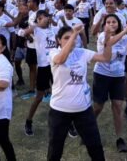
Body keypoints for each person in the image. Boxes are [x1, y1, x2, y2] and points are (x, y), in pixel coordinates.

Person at [48, 24, 113, 161]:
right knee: (55, 149)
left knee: (95, 146)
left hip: (83, 108)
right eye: (66, 38)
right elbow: (60, 60)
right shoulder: (54, 53)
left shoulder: (81, 52)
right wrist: (74, 33)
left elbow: (106, 58)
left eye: (73, 37)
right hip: (60, 108)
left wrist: (108, 38)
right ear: (58, 40)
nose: (71, 40)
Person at [93, 14, 127, 153]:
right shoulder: (103, 36)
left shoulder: (124, 37)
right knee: (98, 106)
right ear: (104, 25)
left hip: (118, 76)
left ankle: (119, 139)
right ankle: (87, 127)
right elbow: (110, 43)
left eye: (114, 22)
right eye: (108, 22)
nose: (111, 24)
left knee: (118, 106)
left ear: (118, 23)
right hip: (102, 75)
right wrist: (124, 31)